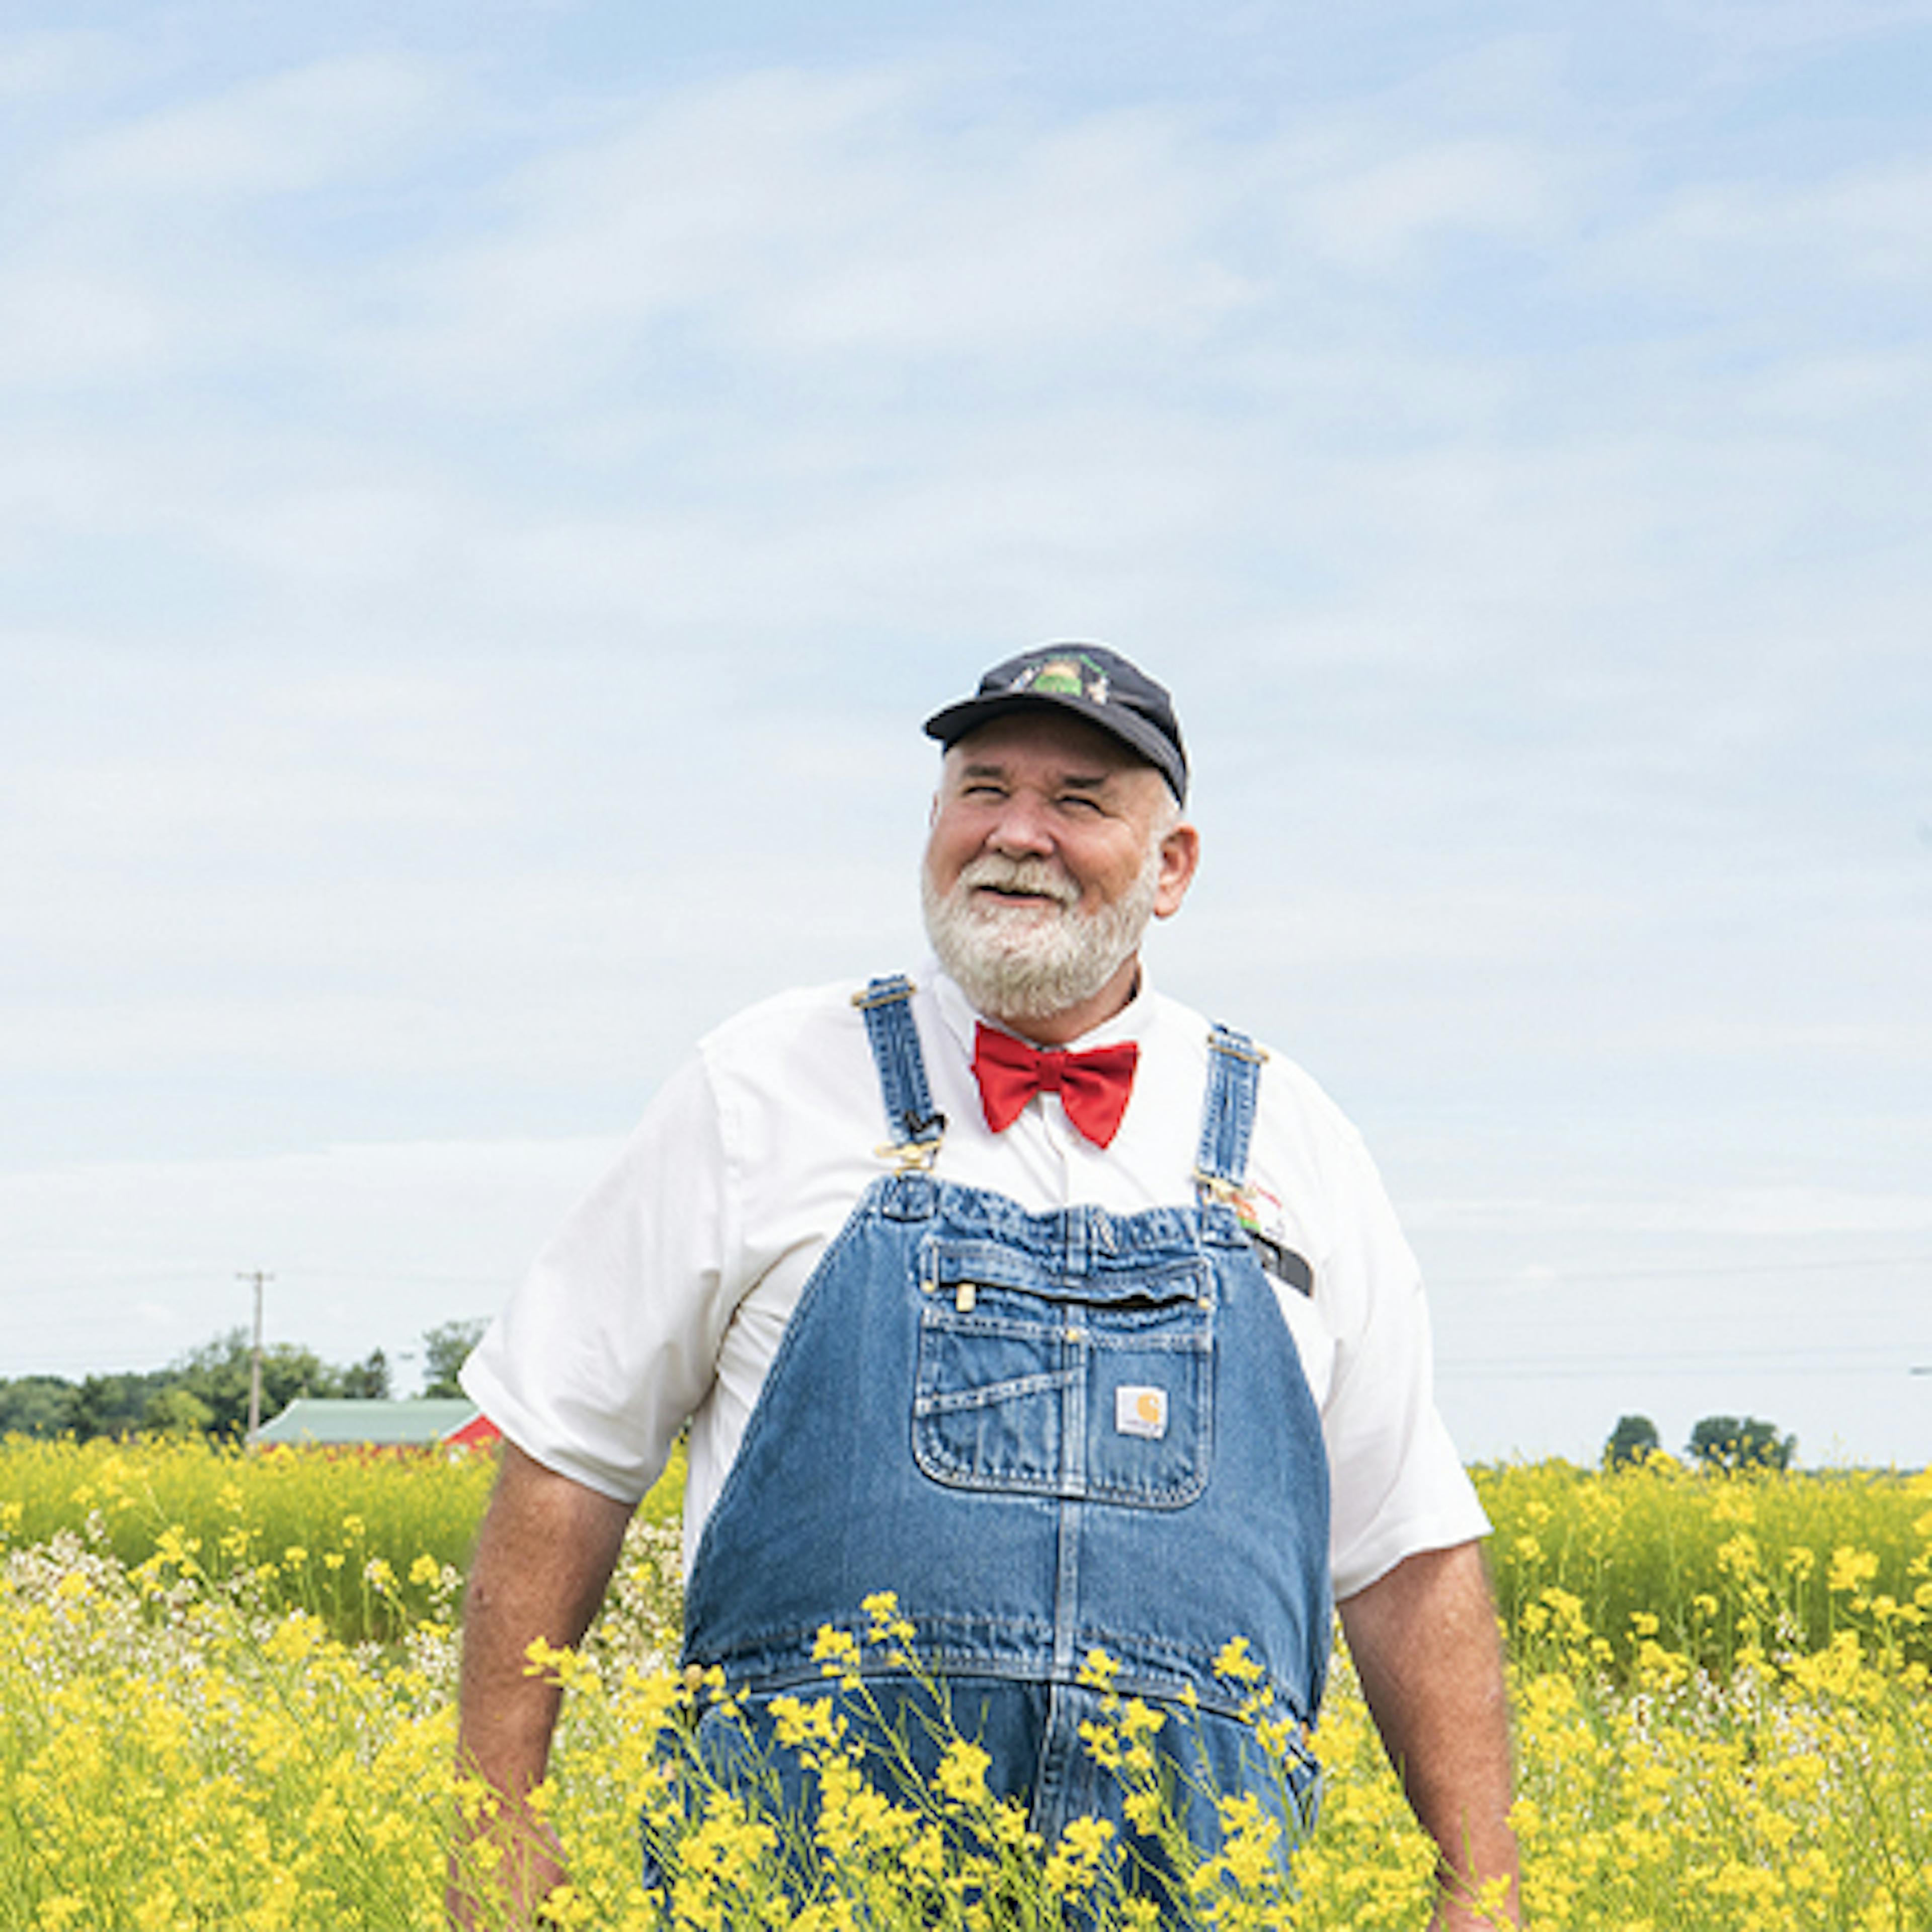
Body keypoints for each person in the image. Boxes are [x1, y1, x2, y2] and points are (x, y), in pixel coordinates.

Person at [450, 643, 1520, 1929]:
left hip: (1189, 1883)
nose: (1020, 833)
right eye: (982, 788)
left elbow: (1404, 1551)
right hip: (807, 1878)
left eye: (1078, 800)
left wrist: (1483, 1885)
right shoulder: (762, 1087)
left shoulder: (1297, 1141)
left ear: (1171, 866)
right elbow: (567, 1459)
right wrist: (494, 1820)